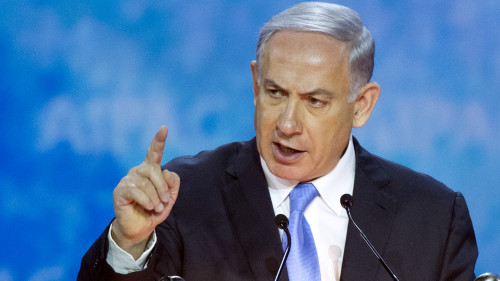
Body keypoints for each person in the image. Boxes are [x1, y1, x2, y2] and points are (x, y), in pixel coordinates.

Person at [78, 2, 478, 281]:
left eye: (314, 101)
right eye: (275, 93)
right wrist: (129, 244)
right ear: (255, 84)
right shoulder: (181, 196)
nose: (287, 124)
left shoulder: (434, 217)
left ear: (362, 105)